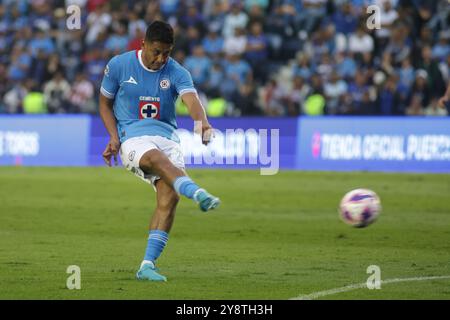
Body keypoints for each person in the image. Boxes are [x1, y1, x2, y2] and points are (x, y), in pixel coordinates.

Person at [99, 21, 220, 282]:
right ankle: (196, 191)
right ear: (142, 44)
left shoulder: (177, 72)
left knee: (169, 198)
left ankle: (147, 265)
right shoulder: (119, 66)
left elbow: (192, 102)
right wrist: (113, 136)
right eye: (156, 51)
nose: (161, 58)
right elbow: (104, 104)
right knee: (155, 159)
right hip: (133, 138)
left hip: (168, 138)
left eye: (167, 52)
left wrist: (202, 123)